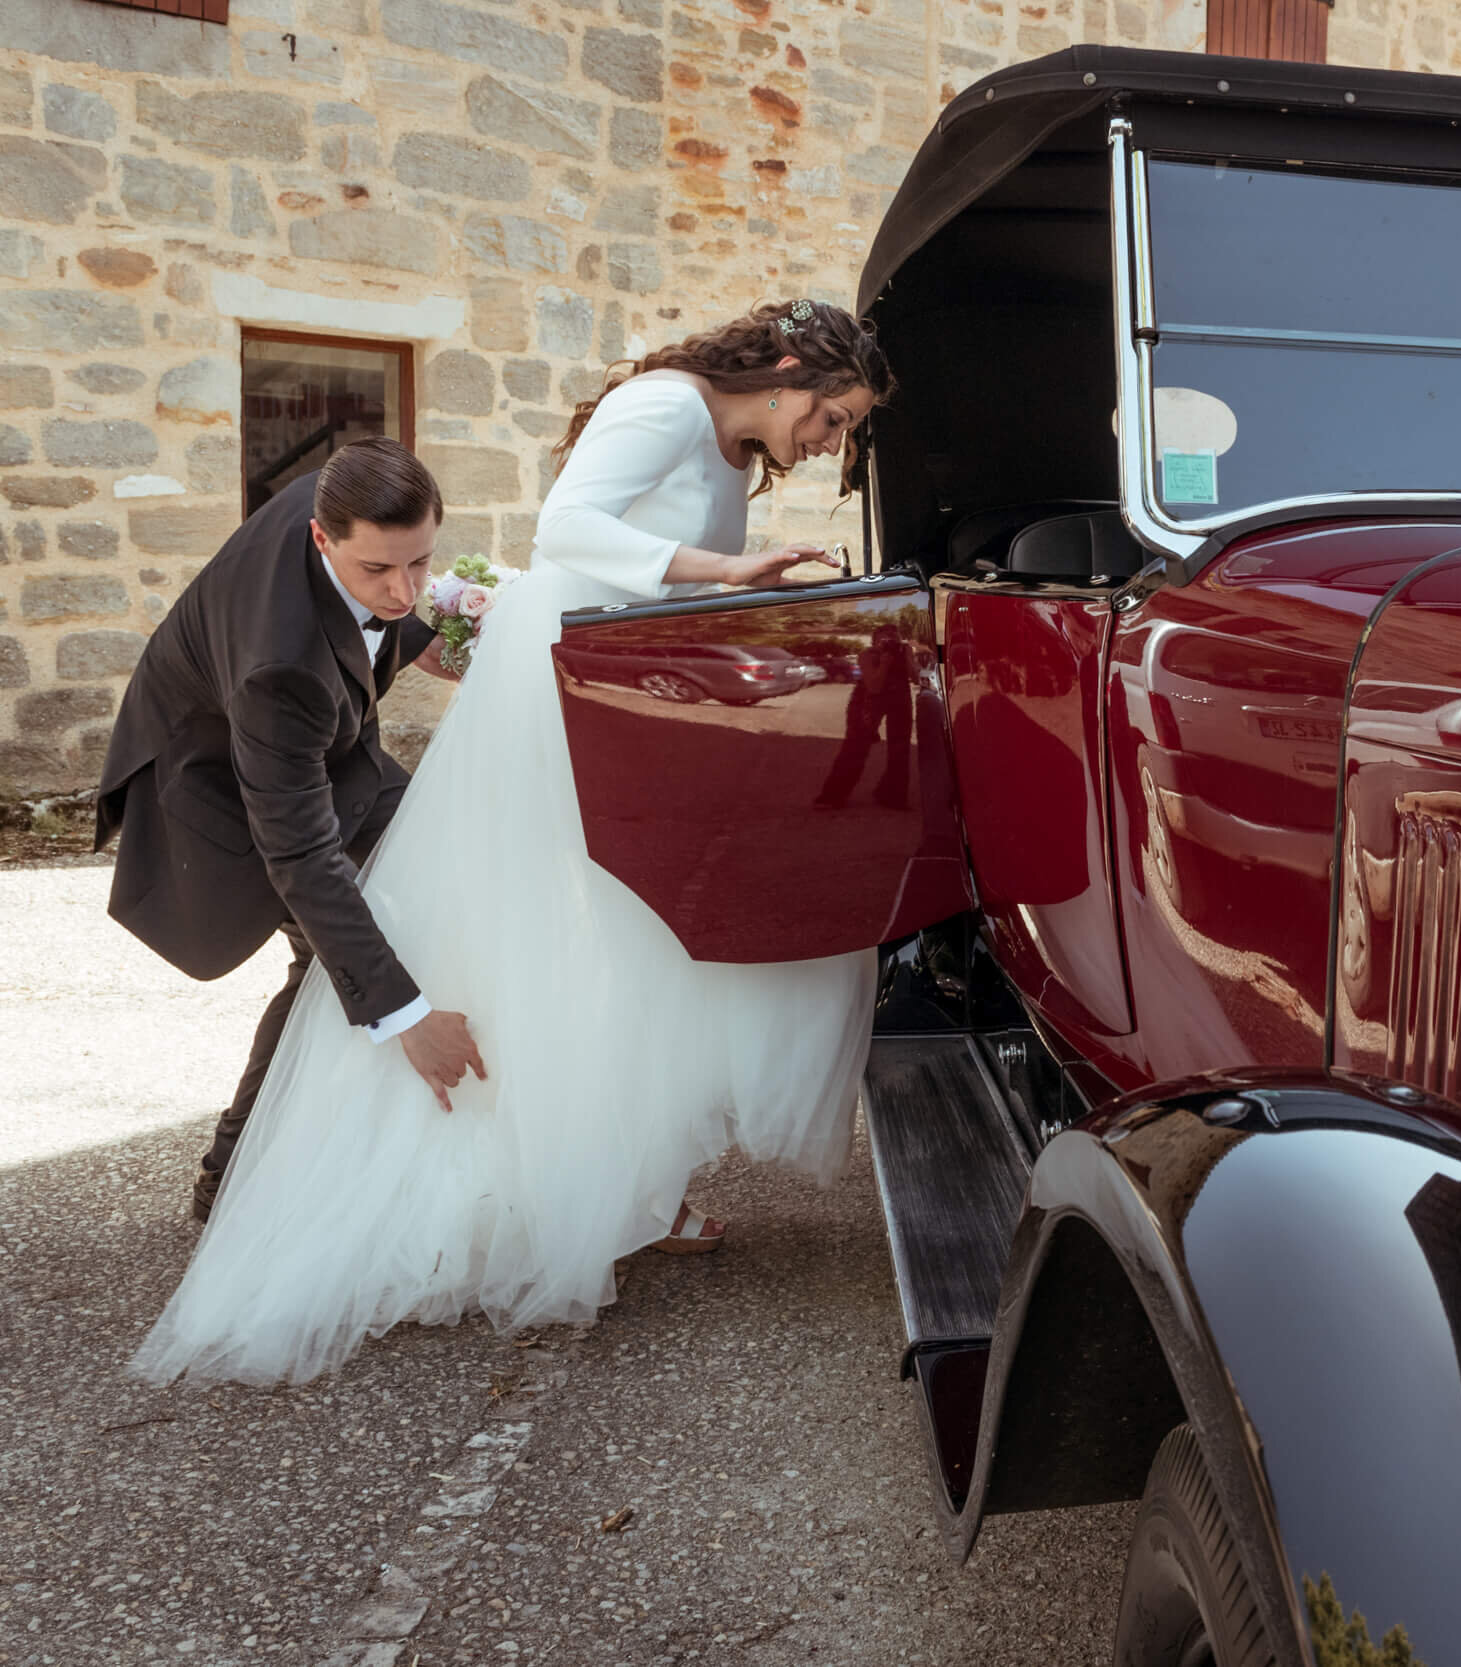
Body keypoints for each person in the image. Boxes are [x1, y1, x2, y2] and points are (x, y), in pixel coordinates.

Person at [131, 299, 897, 1387]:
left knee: (612, 941)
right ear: (784, 373)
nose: (834, 442)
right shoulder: (665, 406)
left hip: (620, 702)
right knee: (482, 928)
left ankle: (622, 1173)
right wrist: (730, 572)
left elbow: (520, 583)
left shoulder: (719, 445)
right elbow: (568, 534)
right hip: (499, 720)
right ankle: (261, 1171)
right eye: (835, 415)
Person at [94, 439, 486, 1223]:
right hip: (215, 786)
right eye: (379, 571)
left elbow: (379, 619)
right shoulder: (282, 667)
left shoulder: (347, 487)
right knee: (325, 952)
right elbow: (302, 853)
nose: (404, 589)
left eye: (420, 563)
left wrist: (436, 634)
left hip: (326, 752)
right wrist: (405, 1017)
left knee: (438, 863)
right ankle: (231, 1171)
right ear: (322, 536)